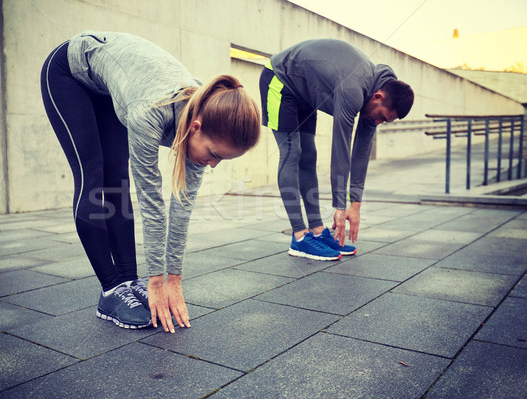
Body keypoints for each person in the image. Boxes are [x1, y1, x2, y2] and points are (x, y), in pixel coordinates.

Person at [41, 30, 260, 333]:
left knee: (117, 177)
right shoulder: (151, 111)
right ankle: (110, 290)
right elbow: (152, 201)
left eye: (221, 160)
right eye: (213, 154)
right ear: (195, 127)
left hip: (111, 85)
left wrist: (174, 279)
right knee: (94, 175)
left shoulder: (206, 114)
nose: (212, 165)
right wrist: (157, 278)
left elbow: (181, 208)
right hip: (69, 73)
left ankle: (129, 279)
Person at [259, 39, 414, 261]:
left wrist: (356, 203)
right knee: (292, 152)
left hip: (304, 94)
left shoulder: (377, 93)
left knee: (309, 156)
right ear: (378, 97)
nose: (379, 121)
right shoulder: (354, 89)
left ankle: (316, 231)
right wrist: (339, 206)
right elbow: (341, 147)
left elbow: (361, 152)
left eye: (385, 121)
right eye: (381, 116)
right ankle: (299, 237)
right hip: (279, 78)